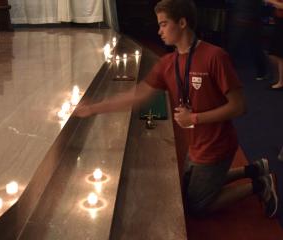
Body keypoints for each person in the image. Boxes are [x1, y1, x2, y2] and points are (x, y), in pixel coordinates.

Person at [74, 0, 278, 217]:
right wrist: (94, 108)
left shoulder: (215, 56)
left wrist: (195, 118)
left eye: (163, 24)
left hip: (218, 144)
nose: (159, 30)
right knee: (189, 189)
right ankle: (253, 170)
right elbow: (137, 96)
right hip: (196, 144)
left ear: (182, 23)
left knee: (195, 207)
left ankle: (260, 185)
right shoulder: (167, 63)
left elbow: (239, 107)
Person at [227, 0, 268, 80]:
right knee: (232, 49)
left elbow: (258, 10)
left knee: (256, 49)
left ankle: (262, 72)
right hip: (240, 23)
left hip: (250, 24)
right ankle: (226, 72)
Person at [265, 0, 283, 90]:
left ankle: (280, 82)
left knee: (278, 55)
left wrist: (270, 1)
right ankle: (279, 80)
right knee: (276, 54)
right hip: (279, 22)